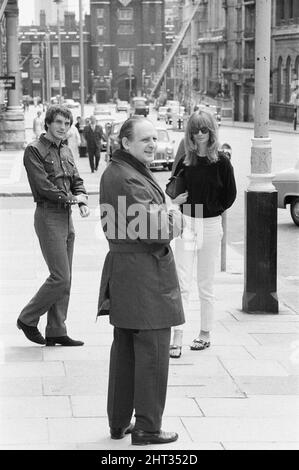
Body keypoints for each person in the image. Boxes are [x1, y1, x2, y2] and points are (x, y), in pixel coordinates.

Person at [97, 116, 185, 446]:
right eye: (144, 139)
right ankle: (147, 428)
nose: (151, 144)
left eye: (153, 139)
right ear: (125, 143)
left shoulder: (122, 172)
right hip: (144, 277)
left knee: (126, 352)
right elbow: (157, 229)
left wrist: (164, 209)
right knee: (151, 354)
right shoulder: (126, 177)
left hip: (130, 273)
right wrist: (174, 214)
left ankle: (119, 422)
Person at [17, 105, 90, 347]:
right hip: (48, 216)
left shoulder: (67, 150)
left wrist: (81, 200)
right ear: (48, 123)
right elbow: (43, 187)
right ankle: (27, 318)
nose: (63, 127)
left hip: (66, 216)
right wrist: (72, 198)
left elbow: (77, 180)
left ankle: (57, 329)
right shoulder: (34, 150)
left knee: (66, 278)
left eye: (67, 124)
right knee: (60, 276)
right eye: (58, 122)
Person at [168, 110, 237, 358]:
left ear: (211, 132)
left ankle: (205, 333)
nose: (199, 134)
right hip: (187, 222)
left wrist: (212, 207)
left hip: (210, 224)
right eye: (195, 130)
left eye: (204, 130)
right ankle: (176, 336)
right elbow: (172, 189)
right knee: (182, 283)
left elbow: (230, 195)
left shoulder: (222, 162)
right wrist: (177, 201)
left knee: (205, 285)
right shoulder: (185, 161)